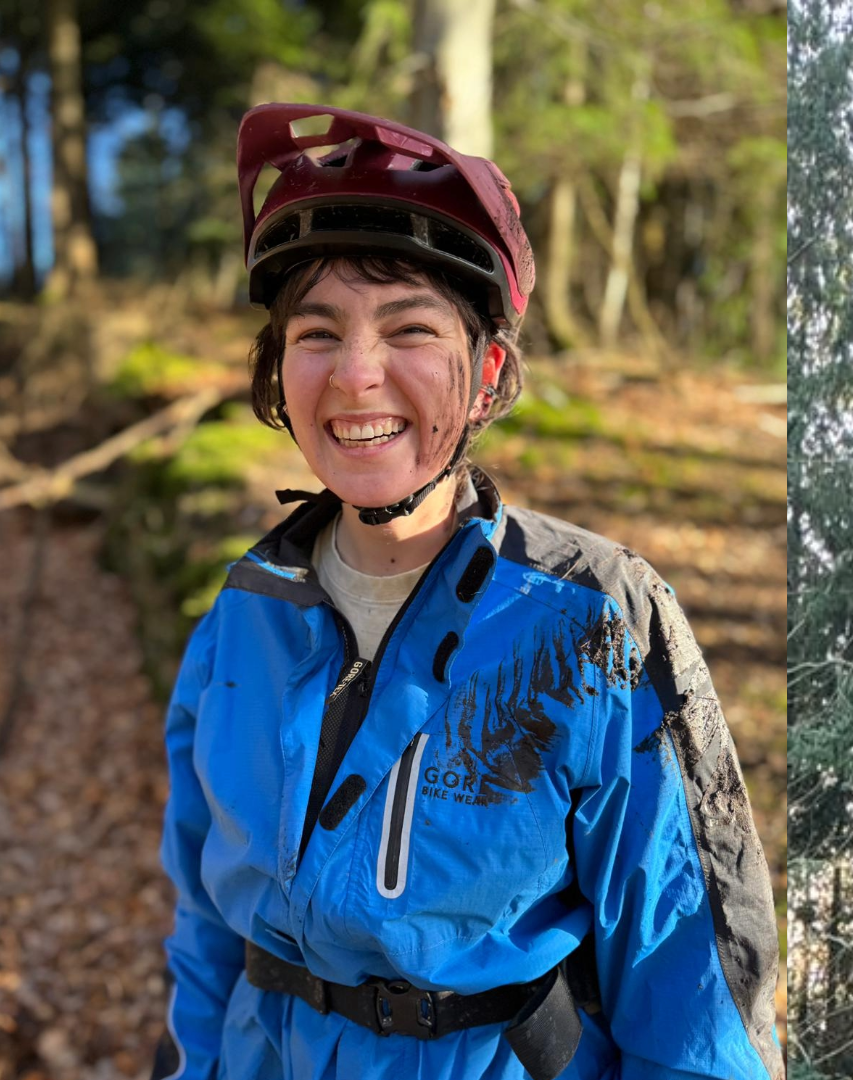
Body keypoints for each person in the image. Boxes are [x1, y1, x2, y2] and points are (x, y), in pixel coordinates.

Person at [153, 103, 781, 1080]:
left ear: (485, 374)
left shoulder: (593, 623)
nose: (357, 376)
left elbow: (693, 990)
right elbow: (203, 935)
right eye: (317, 333)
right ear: (279, 370)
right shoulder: (241, 617)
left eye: (408, 329)